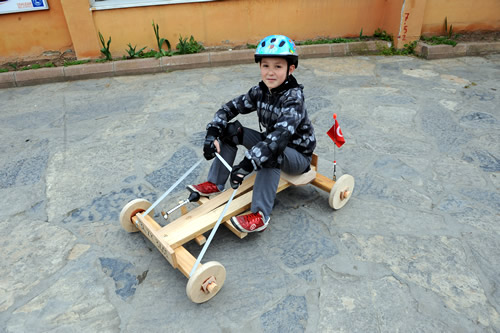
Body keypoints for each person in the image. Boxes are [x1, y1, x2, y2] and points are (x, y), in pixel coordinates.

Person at [188, 34, 316, 233]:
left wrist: (246, 165)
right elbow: (227, 109)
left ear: (290, 69)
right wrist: (213, 133)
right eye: (265, 66)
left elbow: (278, 138)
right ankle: (215, 183)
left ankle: (260, 215)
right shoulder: (260, 91)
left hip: (297, 156)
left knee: (269, 154)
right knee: (231, 131)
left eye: (278, 66)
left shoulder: (294, 99)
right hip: (271, 142)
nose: (270, 72)